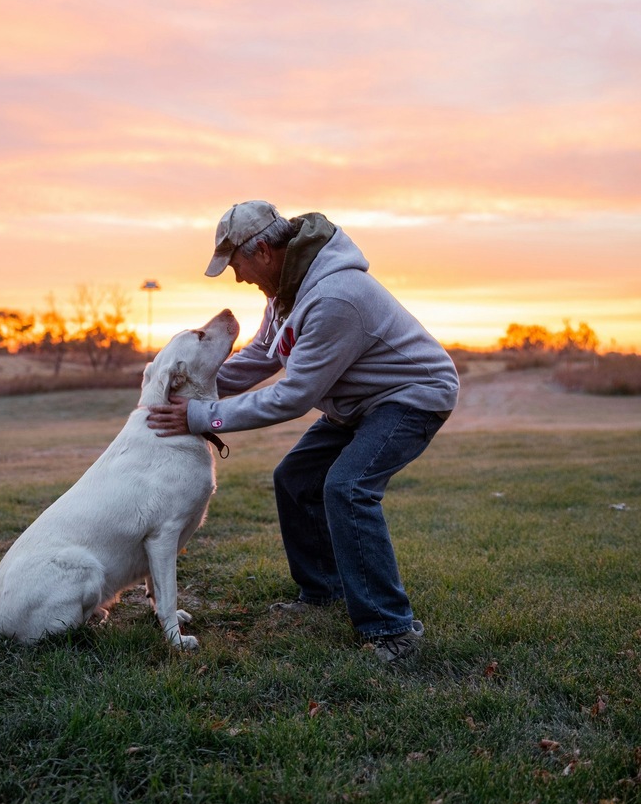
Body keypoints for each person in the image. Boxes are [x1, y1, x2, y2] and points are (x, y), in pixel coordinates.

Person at [146, 200, 459, 662]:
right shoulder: (285, 292)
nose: (237, 277)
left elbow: (292, 396)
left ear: (265, 252)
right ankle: (323, 592)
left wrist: (201, 415)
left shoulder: (336, 297)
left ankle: (391, 629)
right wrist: (189, 385)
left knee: (348, 488)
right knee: (294, 479)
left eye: (236, 264)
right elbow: (263, 356)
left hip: (411, 398)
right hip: (357, 405)